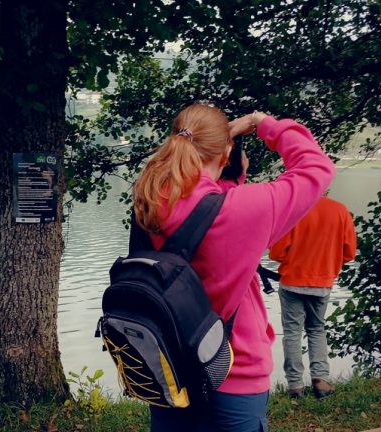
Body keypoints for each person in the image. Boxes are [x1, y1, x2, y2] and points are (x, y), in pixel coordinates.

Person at [132, 103, 335, 432]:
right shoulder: (244, 209)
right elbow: (317, 167)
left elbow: (202, 211)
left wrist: (229, 172)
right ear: (226, 152)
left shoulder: (149, 199)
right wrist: (263, 123)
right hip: (233, 370)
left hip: (167, 365)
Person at [268, 196, 357, 399]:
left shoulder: (294, 210)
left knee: (292, 332)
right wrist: (329, 261)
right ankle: (321, 380)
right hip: (322, 282)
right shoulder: (340, 210)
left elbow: (276, 252)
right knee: (317, 329)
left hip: (292, 282)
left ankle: (295, 386)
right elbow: (349, 253)